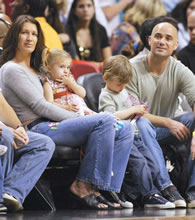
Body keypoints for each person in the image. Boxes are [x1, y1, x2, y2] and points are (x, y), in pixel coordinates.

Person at [0, 14, 135, 210]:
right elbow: (41, 107)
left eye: (34, 34)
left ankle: (108, 190)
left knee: (125, 130)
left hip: (54, 122)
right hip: (37, 126)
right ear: (15, 36)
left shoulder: (37, 69)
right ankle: (83, 185)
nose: (29, 38)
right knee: (105, 119)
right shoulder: (12, 69)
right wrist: (79, 118)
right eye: (24, 33)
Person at [126, 16, 195, 208]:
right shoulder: (131, 69)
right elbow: (133, 113)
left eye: (167, 38)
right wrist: (168, 122)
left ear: (175, 45)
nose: (162, 41)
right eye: (158, 36)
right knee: (142, 122)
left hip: (165, 133)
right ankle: (167, 187)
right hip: (136, 132)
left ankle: (193, 191)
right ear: (149, 40)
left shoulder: (180, 70)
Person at [99, 55, 175, 209]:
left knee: (153, 165)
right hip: (123, 139)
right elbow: (110, 117)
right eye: (120, 84)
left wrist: (137, 109)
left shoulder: (123, 91)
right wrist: (131, 110)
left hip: (136, 135)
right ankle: (149, 196)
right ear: (106, 77)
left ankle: (132, 193)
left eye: (125, 84)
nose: (123, 87)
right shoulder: (105, 95)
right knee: (140, 164)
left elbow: (129, 109)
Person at [0, 89, 55, 212]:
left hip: (4, 128)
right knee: (5, 136)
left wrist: (18, 128)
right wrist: (7, 130)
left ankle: (10, 193)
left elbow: (2, 104)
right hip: (3, 132)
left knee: (44, 143)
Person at [42, 48, 94, 116]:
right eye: (61, 67)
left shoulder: (70, 80)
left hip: (82, 110)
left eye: (68, 67)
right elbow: (49, 103)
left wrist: (71, 84)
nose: (66, 71)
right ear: (48, 68)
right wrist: (66, 108)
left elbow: (82, 94)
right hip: (67, 114)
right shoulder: (48, 84)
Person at [65, 0, 112, 69]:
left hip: (98, 74)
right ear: (74, 10)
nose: (85, 9)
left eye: (89, 6)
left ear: (94, 9)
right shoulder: (68, 31)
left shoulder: (101, 30)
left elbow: (108, 61)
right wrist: (94, 64)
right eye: (81, 6)